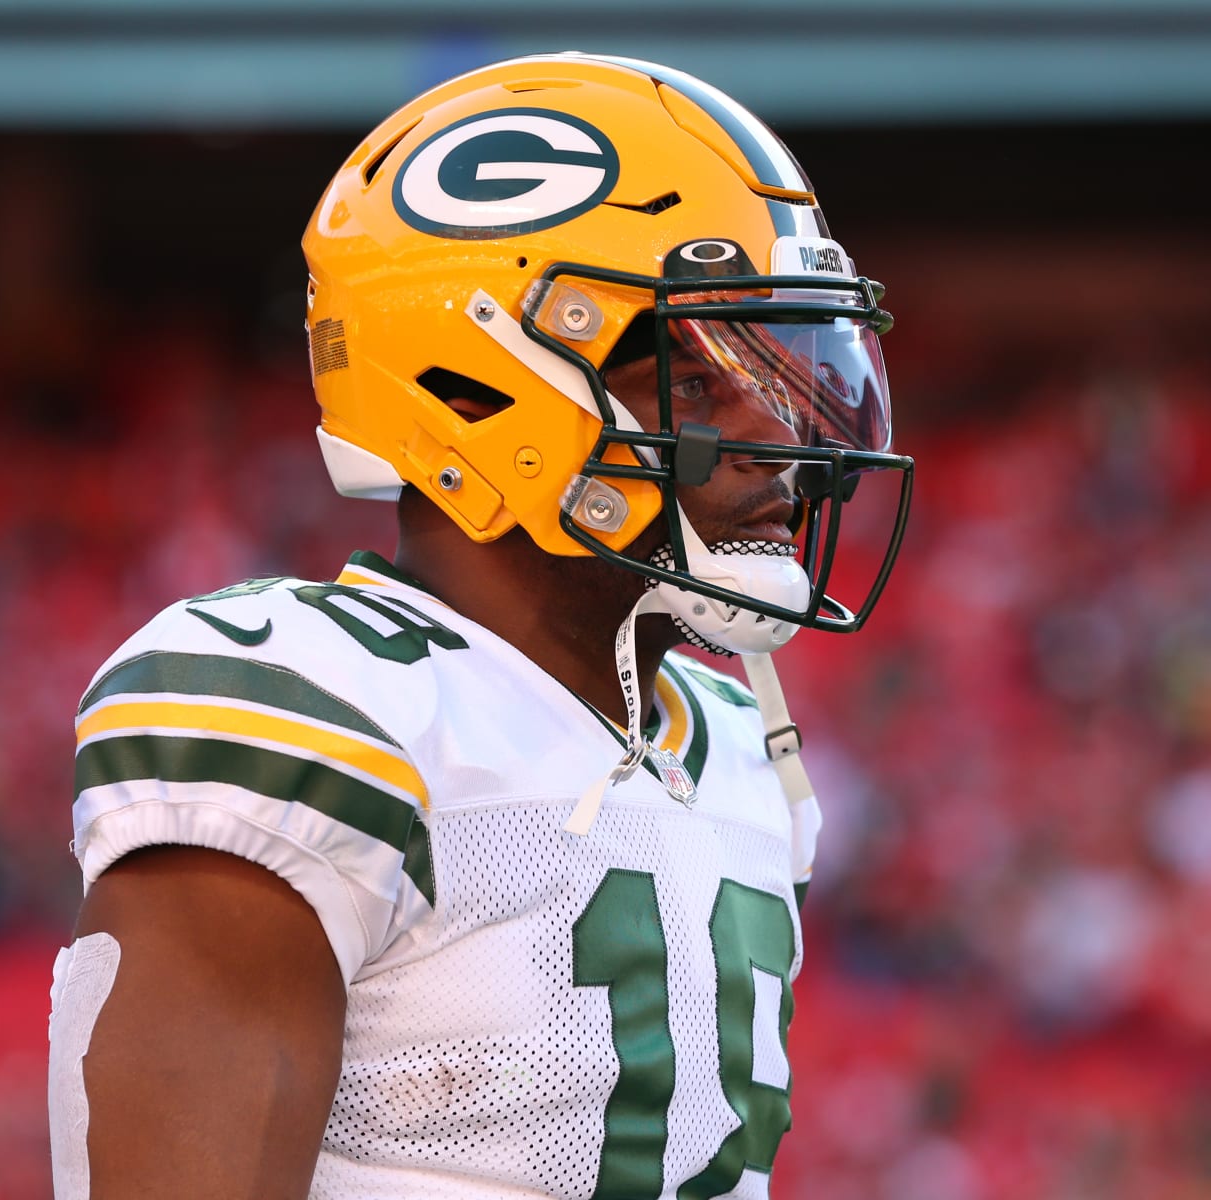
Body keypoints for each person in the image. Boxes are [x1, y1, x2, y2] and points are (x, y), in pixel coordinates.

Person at [46, 52, 913, 1199]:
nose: (782, 439)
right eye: (695, 385)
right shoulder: (325, 706)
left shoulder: (737, 744)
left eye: (789, 369)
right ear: (471, 392)